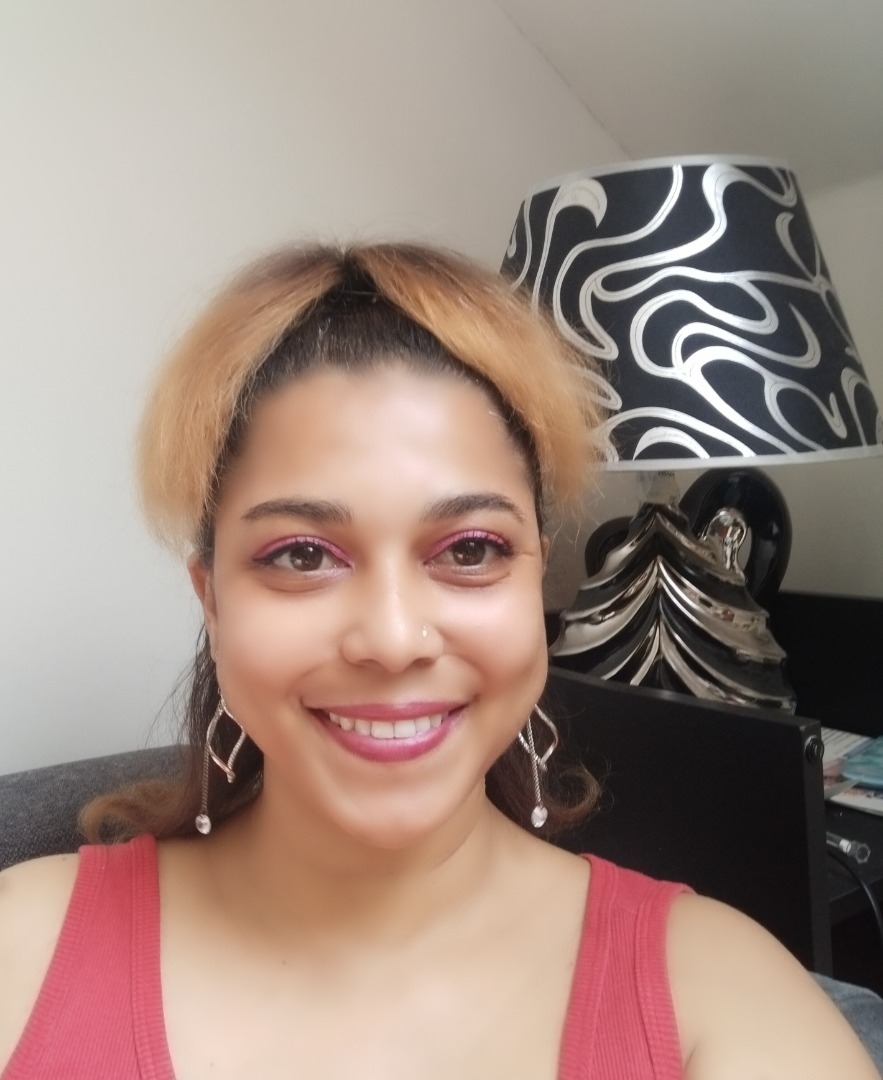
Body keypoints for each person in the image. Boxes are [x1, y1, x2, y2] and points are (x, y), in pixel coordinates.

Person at [0, 242, 877, 1079]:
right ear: (213, 601)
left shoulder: (717, 1002)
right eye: (301, 554)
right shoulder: (22, 949)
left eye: (469, 549)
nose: (392, 640)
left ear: (537, 574)